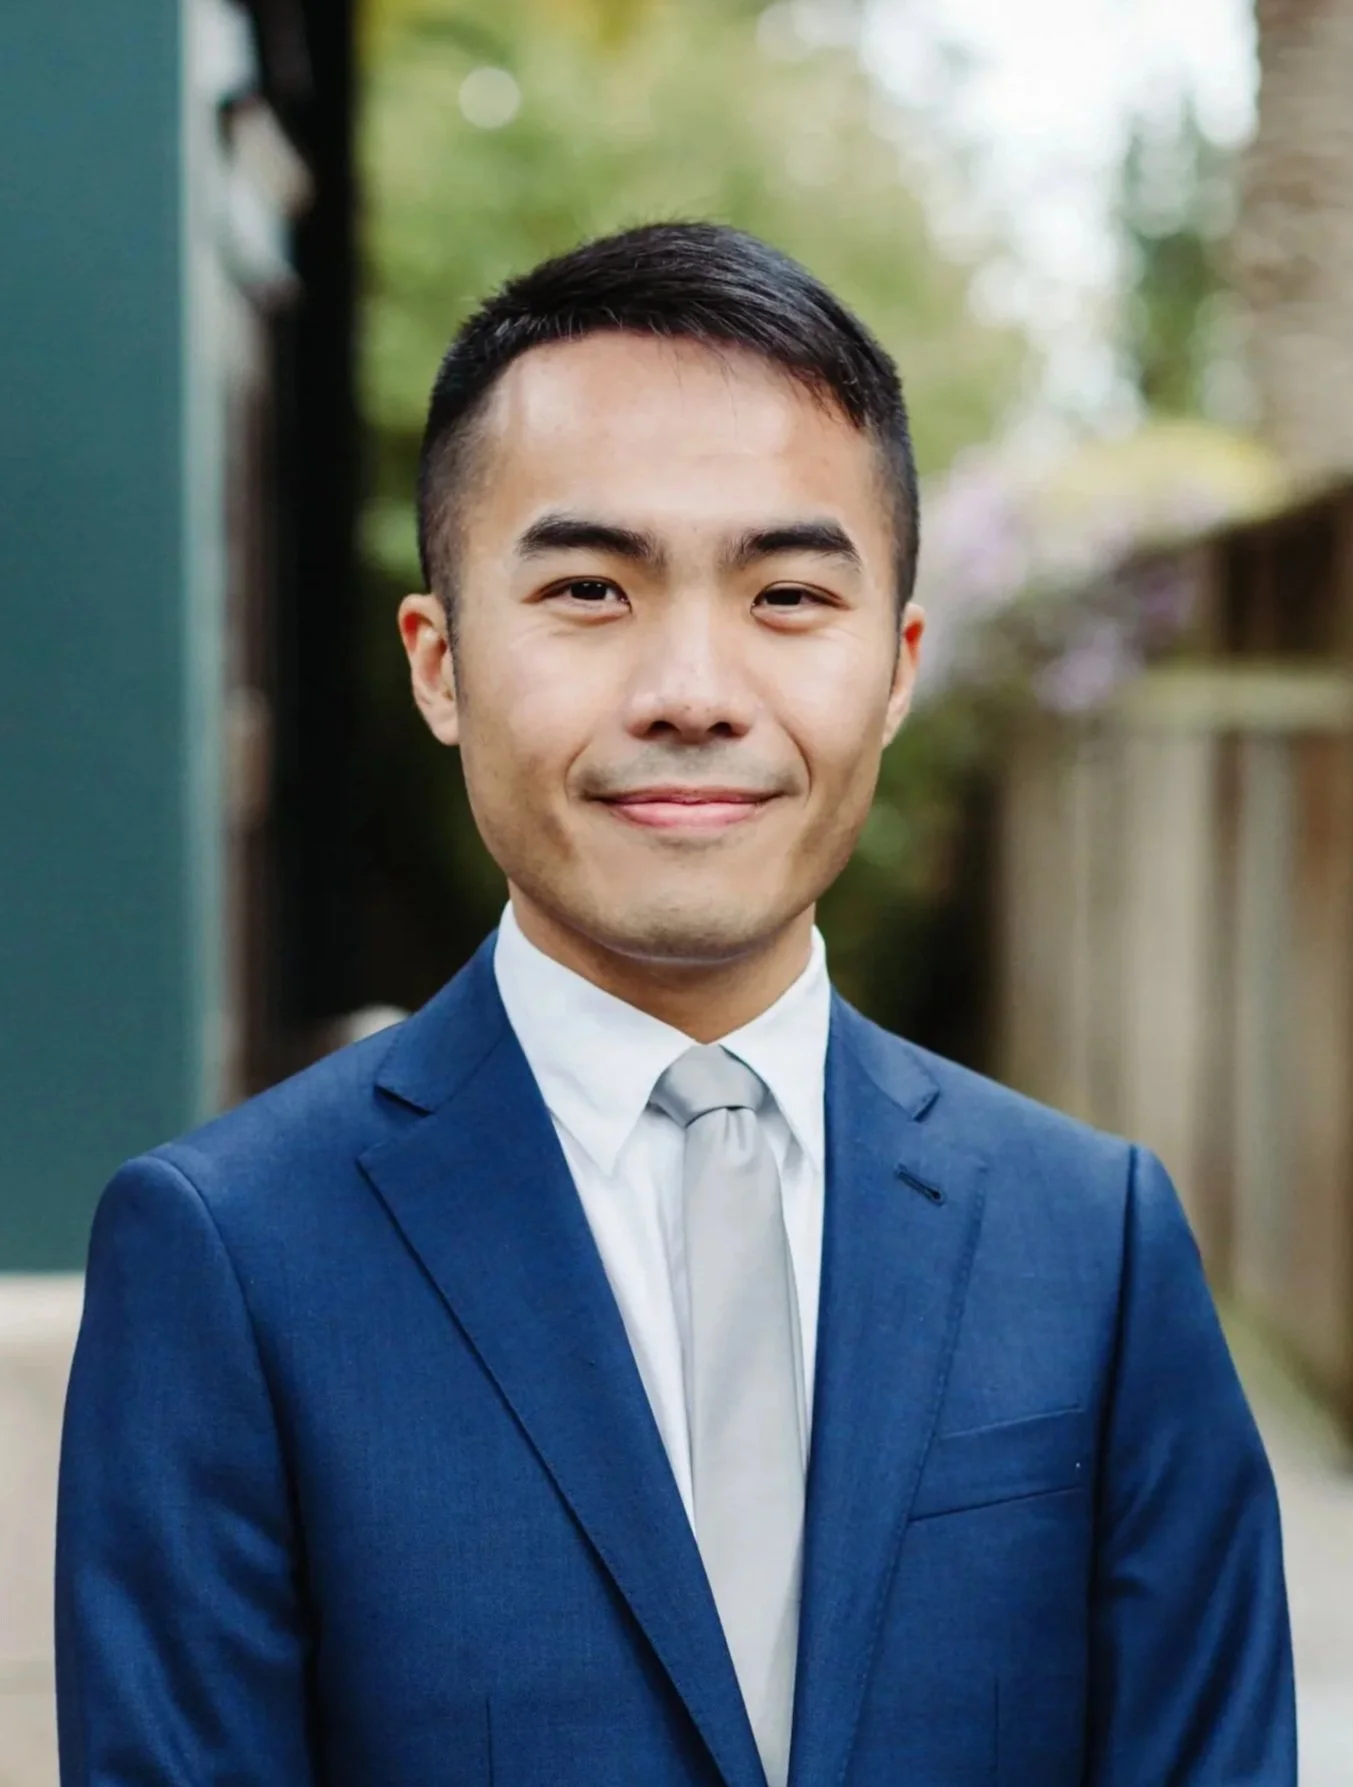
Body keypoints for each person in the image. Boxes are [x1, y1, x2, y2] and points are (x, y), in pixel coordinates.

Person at [55, 222, 1295, 1787]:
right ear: (439, 665)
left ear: (899, 663)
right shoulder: (227, 1260)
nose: (694, 688)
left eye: (788, 594)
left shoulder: (1093, 1244)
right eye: (588, 587)